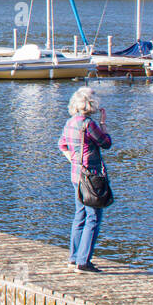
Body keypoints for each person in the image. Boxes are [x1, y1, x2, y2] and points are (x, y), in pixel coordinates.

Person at [58, 87, 112, 273]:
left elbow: (62, 145)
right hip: (92, 176)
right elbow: (106, 143)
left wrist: (74, 161)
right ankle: (83, 262)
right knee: (94, 217)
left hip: (76, 176)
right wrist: (104, 125)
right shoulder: (89, 124)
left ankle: (73, 258)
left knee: (80, 215)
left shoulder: (70, 122)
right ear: (91, 105)